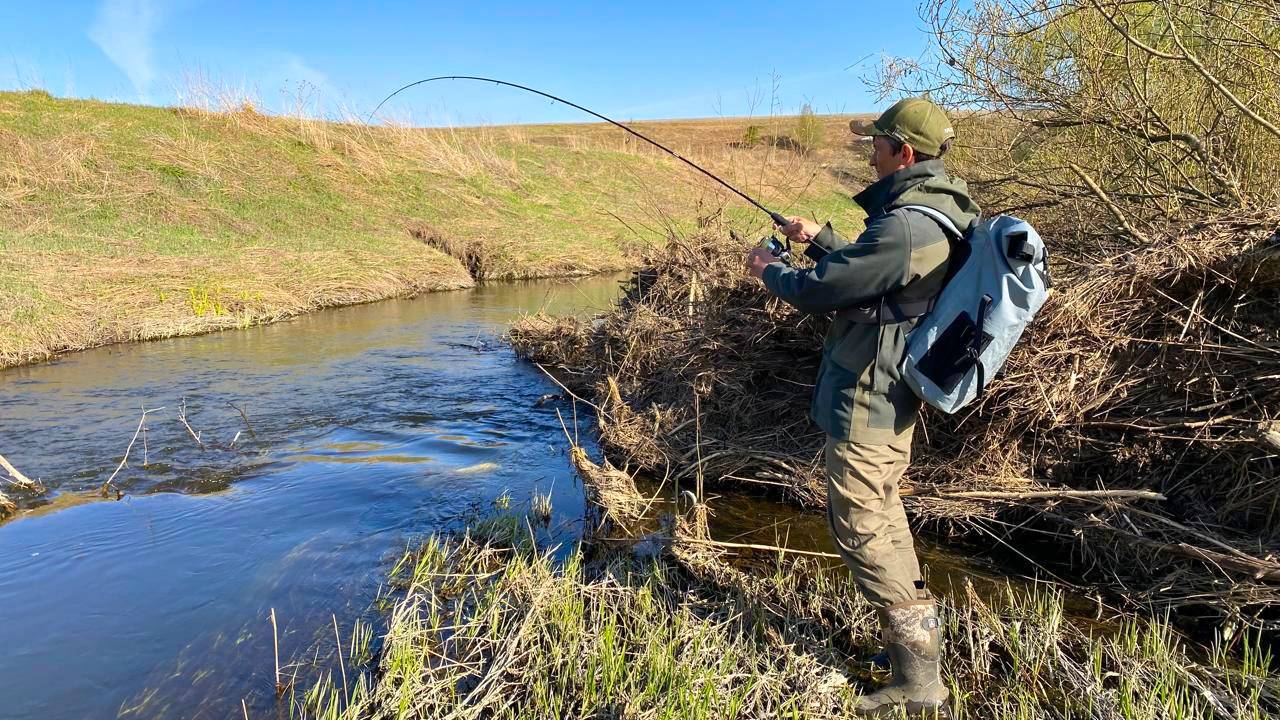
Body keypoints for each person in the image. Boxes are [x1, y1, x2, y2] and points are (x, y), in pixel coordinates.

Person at [745, 96, 979, 718]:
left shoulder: (906, 224)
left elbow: (826, 290)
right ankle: (914, 659)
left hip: (868, 399)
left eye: (876, 142)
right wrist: (818, 238)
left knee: (862, 528)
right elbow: (877, 277)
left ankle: (919, 682)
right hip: (887, 393)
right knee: (883, 517)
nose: (868, 150)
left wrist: (771, 270)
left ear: (904, 153)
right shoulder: (931, 213)